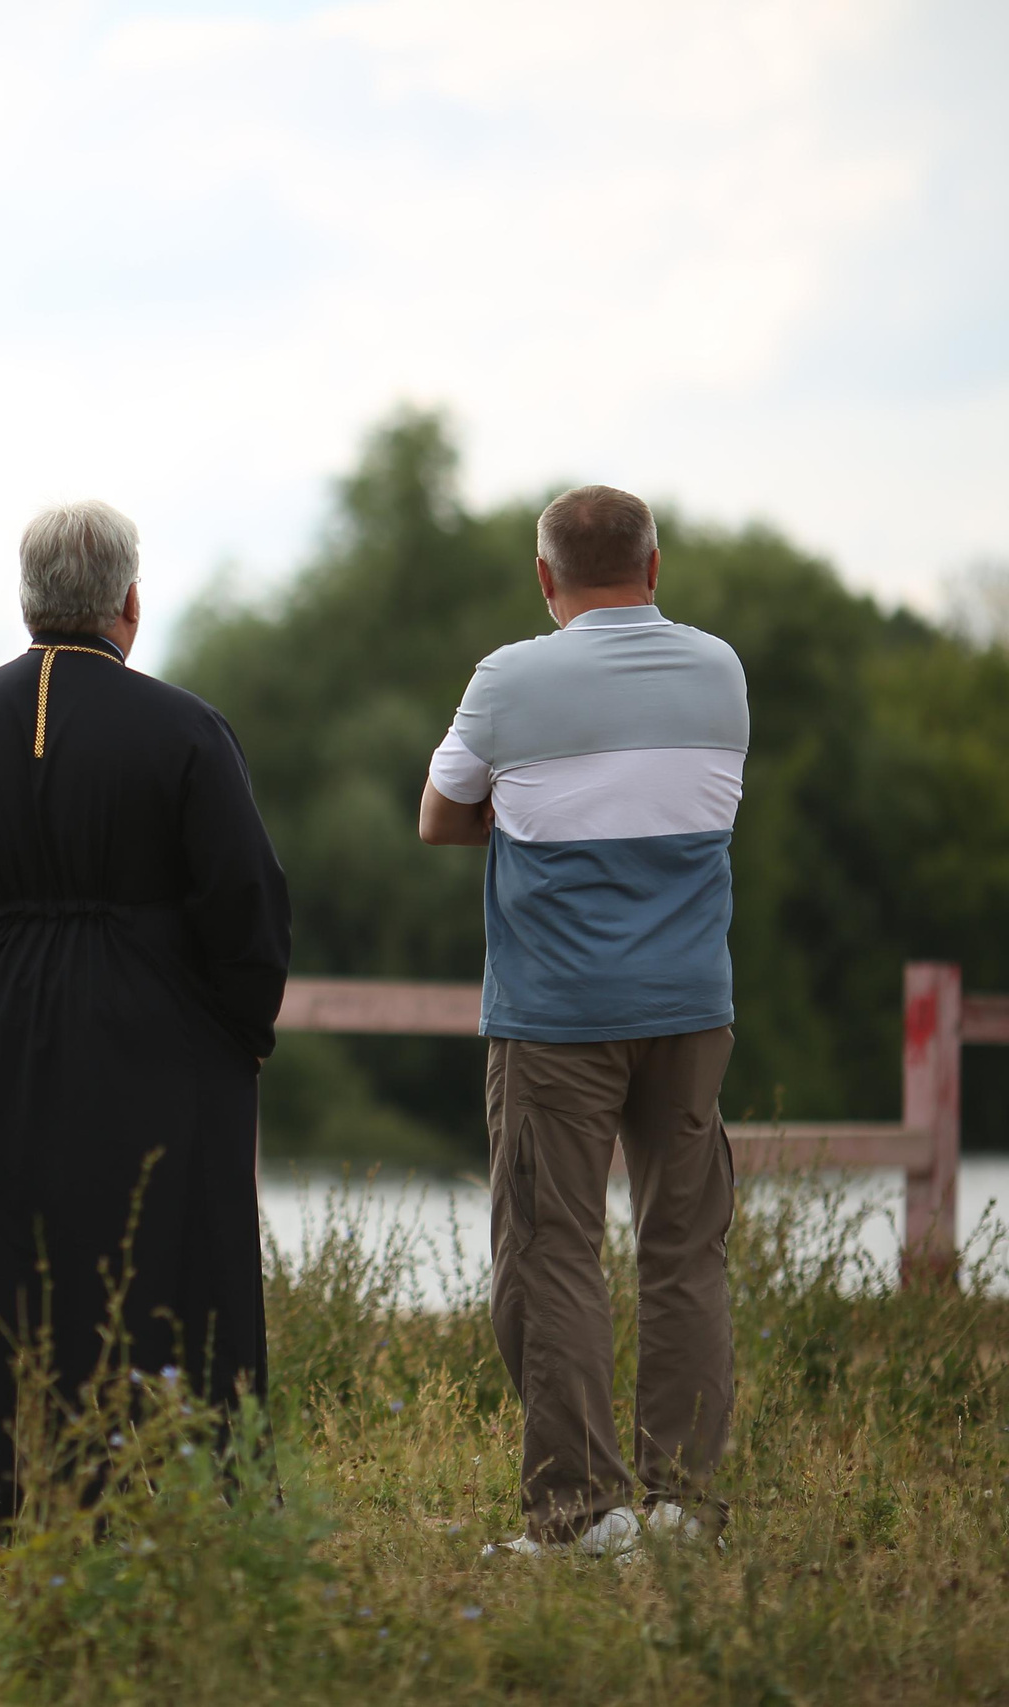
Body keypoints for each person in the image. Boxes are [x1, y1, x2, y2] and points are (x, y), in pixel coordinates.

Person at [0, 499, 291, 1525]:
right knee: (153, 1253)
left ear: (27, 602)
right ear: (130, 604)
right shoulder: (186, 730)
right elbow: (243, 900)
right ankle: (173, 1490)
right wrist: (238, 1031)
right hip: (156, 1038)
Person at [419, 483, 749, 1559]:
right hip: (691, 1010)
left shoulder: (510, 677)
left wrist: (525, 816)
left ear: (544, 578)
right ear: (655, 569)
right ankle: (680, 1507)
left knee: (552, 1248)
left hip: (557, 1015)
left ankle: (577, 1514)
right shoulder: (718, 669)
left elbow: (438, 817)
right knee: (685, 1249)